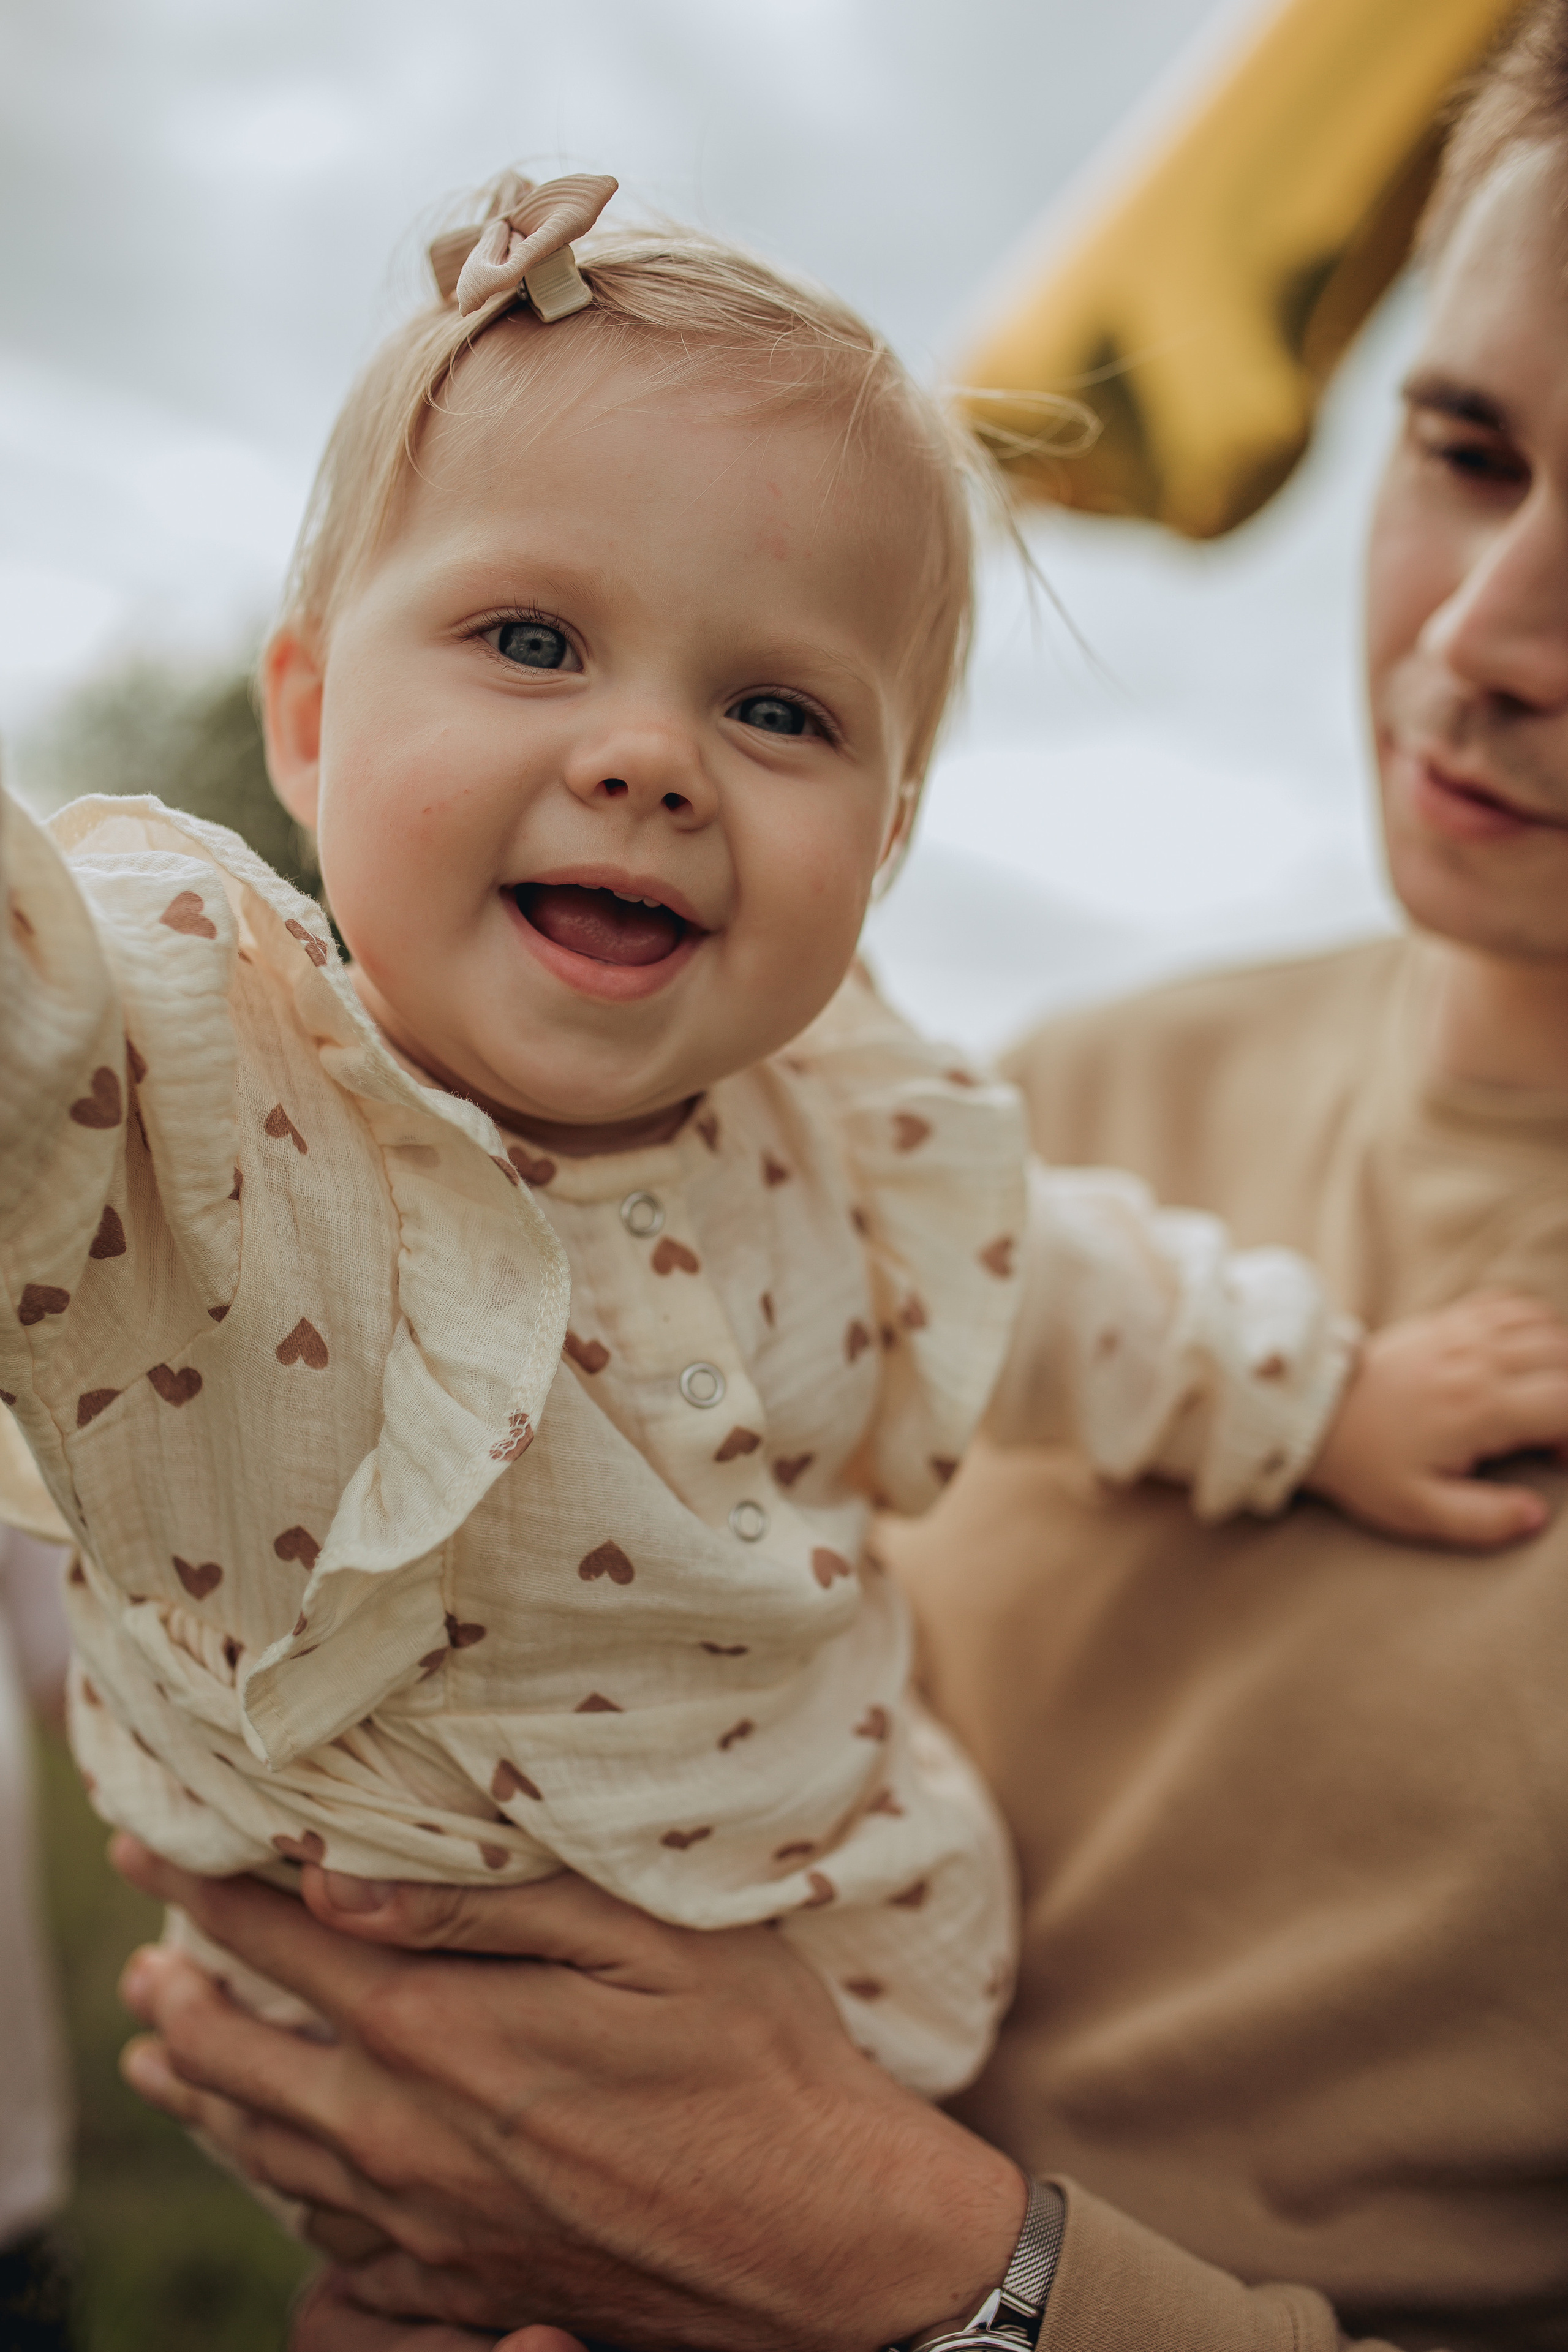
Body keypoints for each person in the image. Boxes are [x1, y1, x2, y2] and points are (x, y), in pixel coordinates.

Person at [88, 8, 1568, 2335]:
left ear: (880, 844)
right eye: (1469, 449)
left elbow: (1107, 1306)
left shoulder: (870, 1157)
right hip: (358, 1995)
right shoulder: (227, 1089)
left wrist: (880, 2249)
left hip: (839, 2007)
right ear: (306, 712)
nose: (651, 757)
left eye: (780, 711)